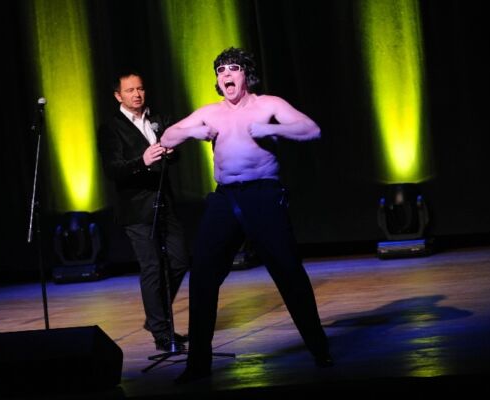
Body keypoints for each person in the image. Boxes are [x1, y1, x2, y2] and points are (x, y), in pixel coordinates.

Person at [161, 47, 333, 384]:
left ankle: (319, 348)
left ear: (246, 75)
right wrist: (192, 133)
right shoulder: (210, 112)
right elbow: (167, 137)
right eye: (220, 70)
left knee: (288, 272)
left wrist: (271, 129)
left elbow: (312, 130)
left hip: (263, 194)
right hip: (225, 198)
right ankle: (198, 364)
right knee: (202, 275)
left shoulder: (268, 105)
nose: (226, 74)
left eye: (233, 68)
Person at [97, 70, 189, 352]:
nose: (137, 94)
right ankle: (162, 333)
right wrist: (142, 161)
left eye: (140, 88)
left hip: (164, 201)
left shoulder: (157, 118)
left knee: (179, 260)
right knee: (152, 267)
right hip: (136, 209)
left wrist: (172, 152)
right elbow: (112, 169)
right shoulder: (111, 128)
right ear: (118, 96)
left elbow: (175, 152)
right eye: (130, 90)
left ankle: (155, 317)